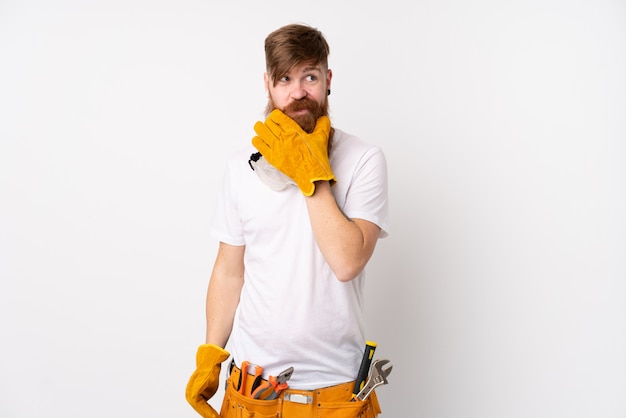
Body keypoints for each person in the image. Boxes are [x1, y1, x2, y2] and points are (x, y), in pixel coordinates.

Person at [185, 23, 389, 418]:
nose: (298, 92)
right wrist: (211, 351)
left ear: (328, 80)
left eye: (309, 77)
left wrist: (312, 173)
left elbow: (347, 262)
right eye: (285, 79)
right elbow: (230, 271)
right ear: (268, 84)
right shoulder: (240, 169)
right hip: (253, 389)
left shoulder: (364, 160)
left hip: (335, 393)